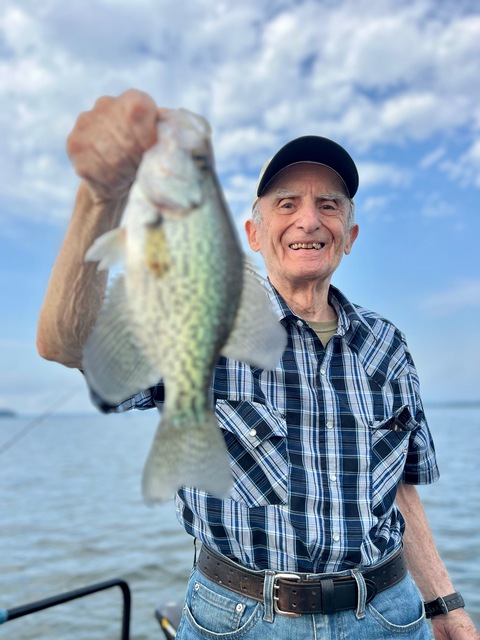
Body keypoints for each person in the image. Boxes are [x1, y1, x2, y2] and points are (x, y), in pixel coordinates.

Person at [37, 89, 479, 640]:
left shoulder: (388, 343)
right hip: (242, 620)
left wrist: (445, 603)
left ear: (350, 236)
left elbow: (399, 491)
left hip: (390, 614)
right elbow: (64, 342)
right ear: (253, 234)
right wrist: (98, 198)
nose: (308, 220)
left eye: (330, 205)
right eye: (286, 204)